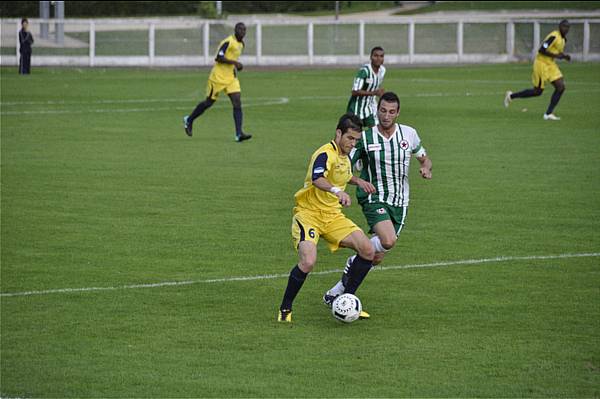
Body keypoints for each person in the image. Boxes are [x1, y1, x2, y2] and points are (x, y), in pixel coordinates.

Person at [323, 92, 433, 307]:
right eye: (383, 110)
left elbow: (424, 158)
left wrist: (425, 168)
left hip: (400, 202)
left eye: (391, 111)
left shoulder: (409, 134)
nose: (386, 115)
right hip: (374, 197)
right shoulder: (365, 138)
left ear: (398, 113)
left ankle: (337, 292)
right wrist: (350, 185)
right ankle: (348, 298)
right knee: (388, 240)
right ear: (377, 110)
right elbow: (345, 165)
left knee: (375, 256)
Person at [277, 113, 378, 323]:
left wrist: (358, 181)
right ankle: (285, 309)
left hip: (332, 216)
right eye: (350, 138)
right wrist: (337, 191)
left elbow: (342, 174)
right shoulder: (324, 153)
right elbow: (318, 178)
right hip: (309, 215)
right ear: (338, 133)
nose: (352, 143)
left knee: (368, 250)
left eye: (356, 140)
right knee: (308, 261)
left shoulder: (344, 156)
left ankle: (346, 300)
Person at [183, 22, 252, 142]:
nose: (243, 32)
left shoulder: (241, 44)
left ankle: (239, 133)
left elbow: (234, 58)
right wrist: (235, 63)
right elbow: (218, 58)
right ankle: (189, 120)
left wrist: (235, 67)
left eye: (244, 30)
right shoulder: (228, 42)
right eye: (240, 30)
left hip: (230, 78)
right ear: (235, 30)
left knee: (237, 102)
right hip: (218, 77)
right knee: (209, 102)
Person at [504, 20, 571, 121]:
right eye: (564, 27)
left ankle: (548, 113)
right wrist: (557, 55)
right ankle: (511, 96)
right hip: (541, 63)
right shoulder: (554, 36)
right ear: (559, 26)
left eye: (567, 27)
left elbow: (557, 52)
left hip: (551, 64)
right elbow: (542, 50)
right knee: (537, 91)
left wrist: (564, 56)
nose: (565, 29)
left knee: (561, 87)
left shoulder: (564, 40)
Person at [347, 46, 386, 129]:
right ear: (371, 57)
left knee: (376, 130)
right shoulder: (364, 71)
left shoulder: (382, 71)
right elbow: (355, 91)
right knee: (355, 133)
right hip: (356, 108)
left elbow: (376, 86)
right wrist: (373, 93)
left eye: (381, 56)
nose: (378, 58)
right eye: (376, 56)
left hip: (369, 108)